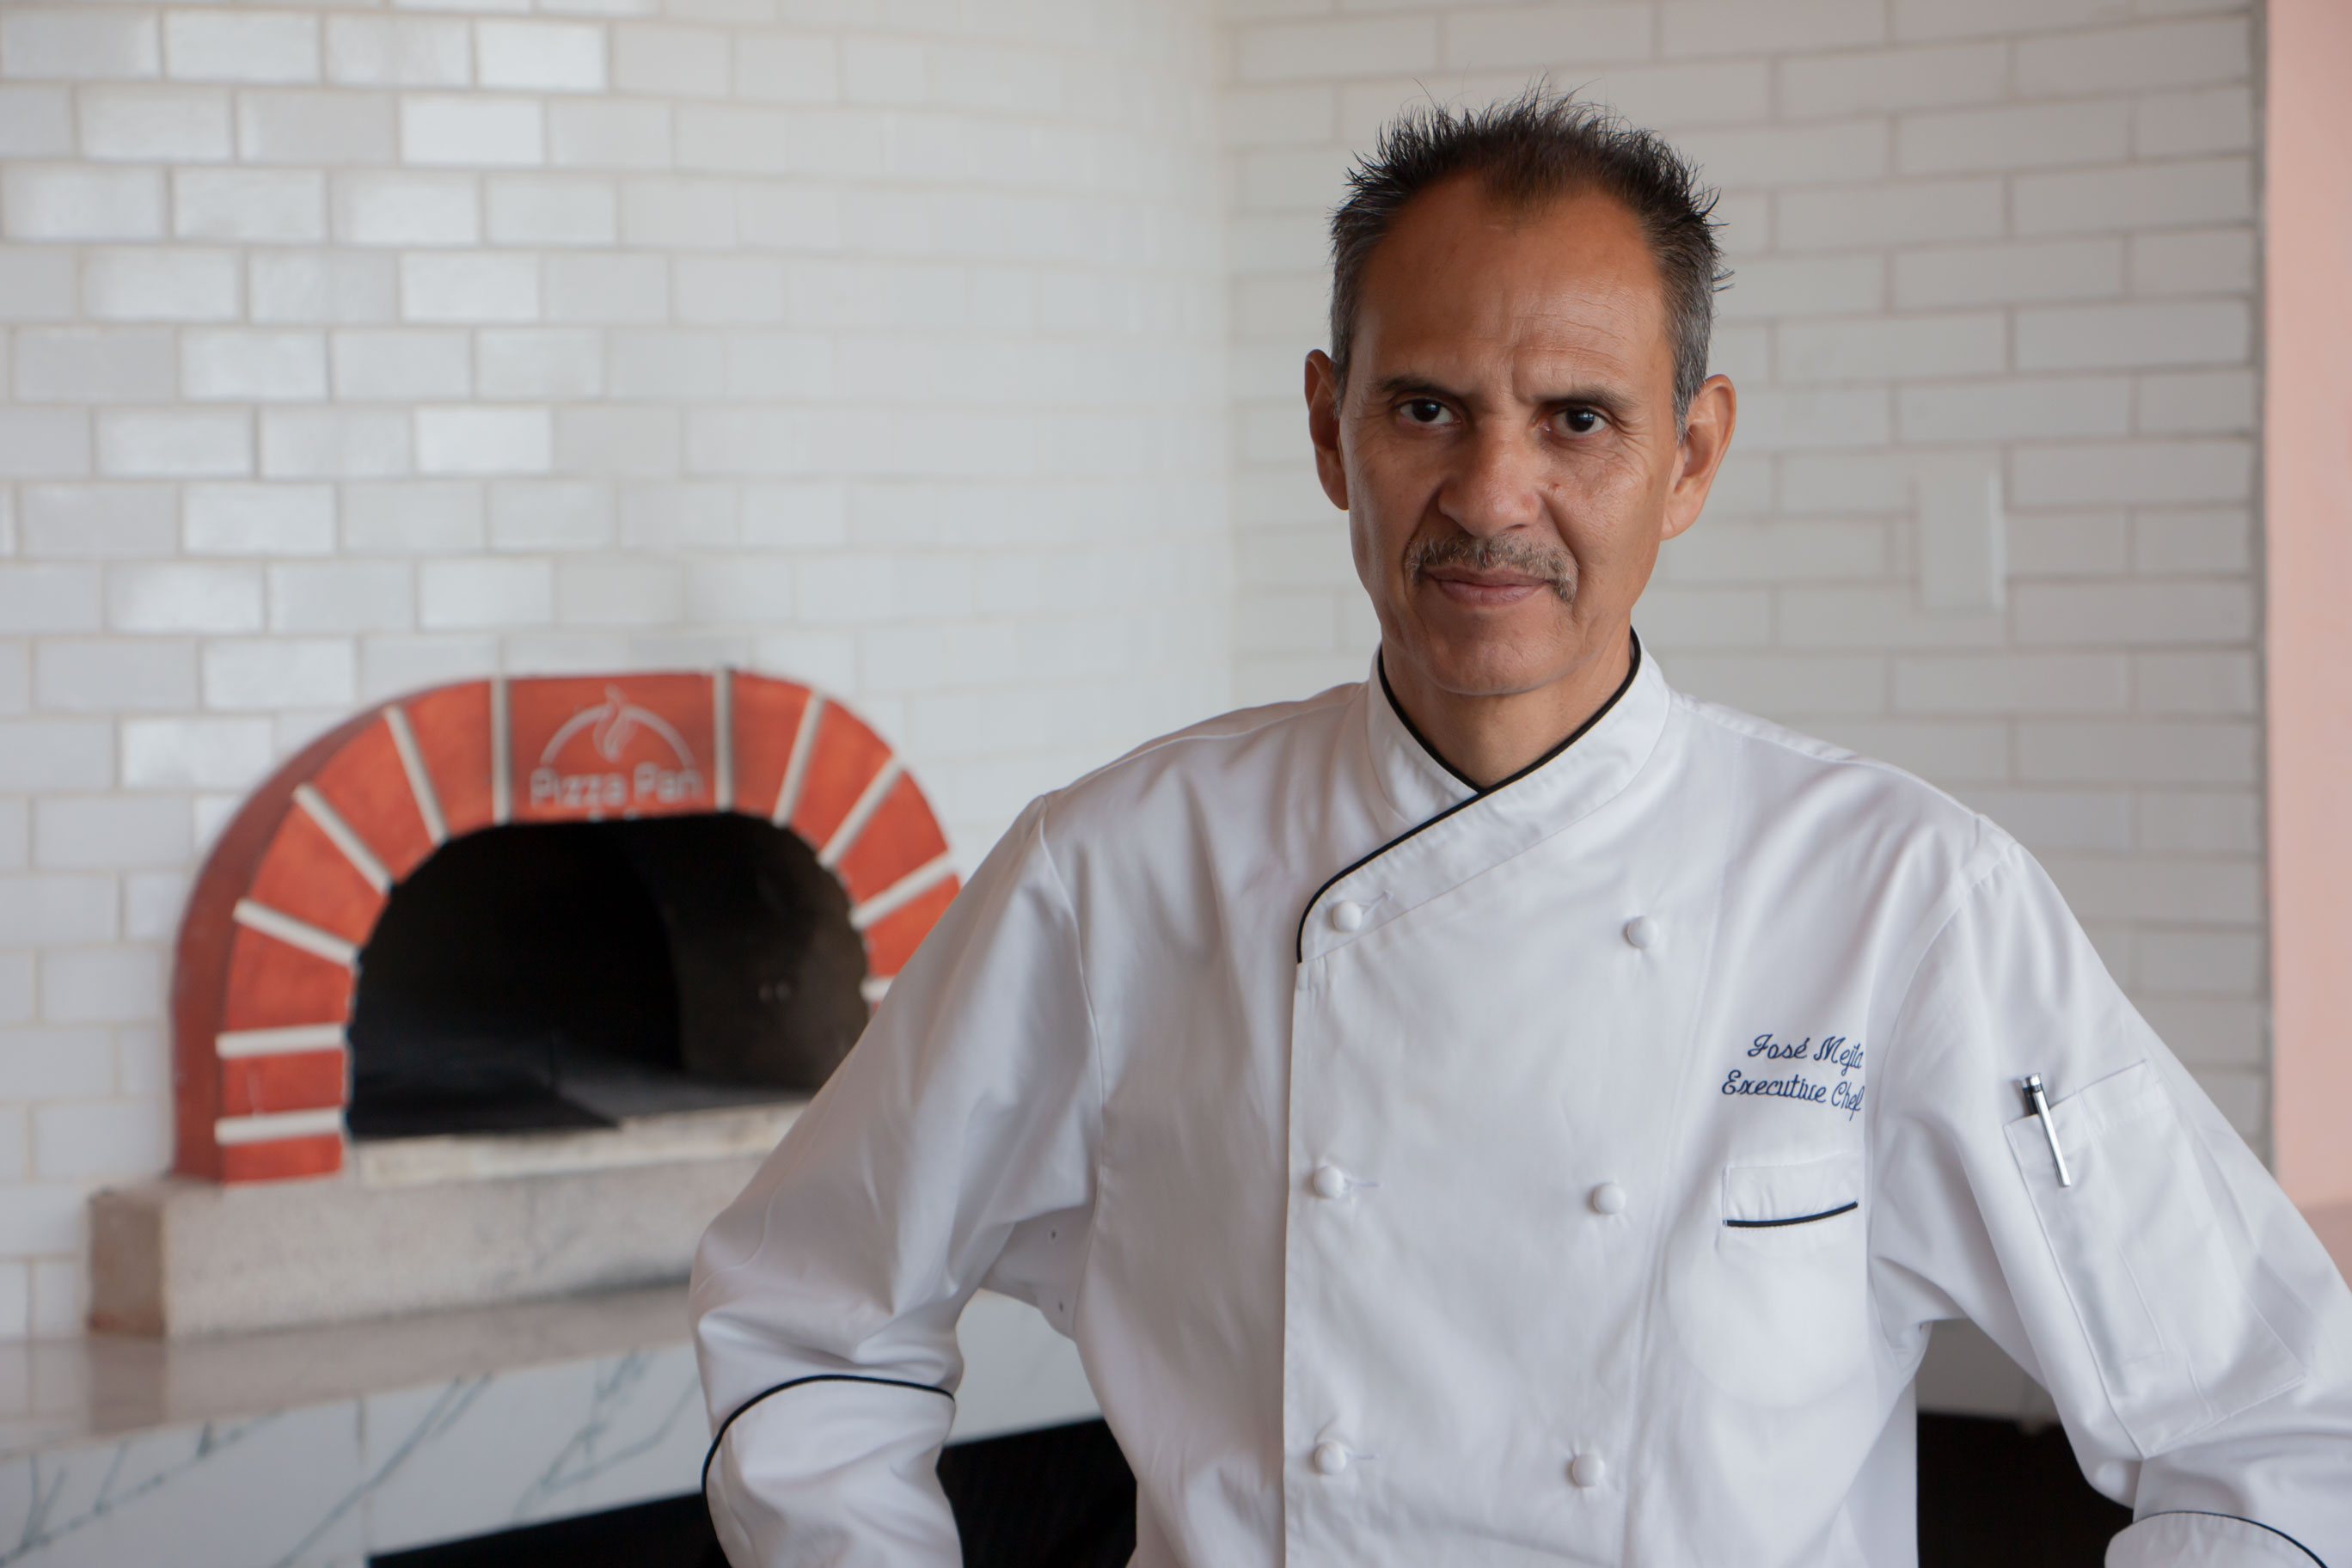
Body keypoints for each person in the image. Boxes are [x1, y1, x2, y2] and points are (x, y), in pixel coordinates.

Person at [690, 93, 2352, 1566]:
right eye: (1427, 409)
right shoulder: (1115, 876)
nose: (1492, 496)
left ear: (1690, 457)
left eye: (1578, 420)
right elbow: (810, 1315)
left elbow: (2274, 1427)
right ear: (1329, 426)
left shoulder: (1901, 900)